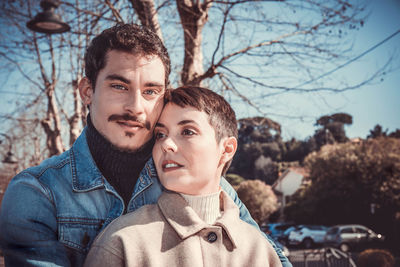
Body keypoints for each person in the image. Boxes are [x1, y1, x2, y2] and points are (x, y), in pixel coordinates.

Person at [0, 24, 291, 267]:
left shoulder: (194, 180)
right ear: (87, 92)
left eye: (151, 90)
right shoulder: (37, 192)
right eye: (119, 86)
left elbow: (269, 256)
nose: (135, 107)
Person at [84, 86, 282, 267]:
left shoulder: (261, 250)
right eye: (160, 134)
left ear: (226, 149)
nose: (166, 144)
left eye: (187, 131)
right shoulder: (121, 241)